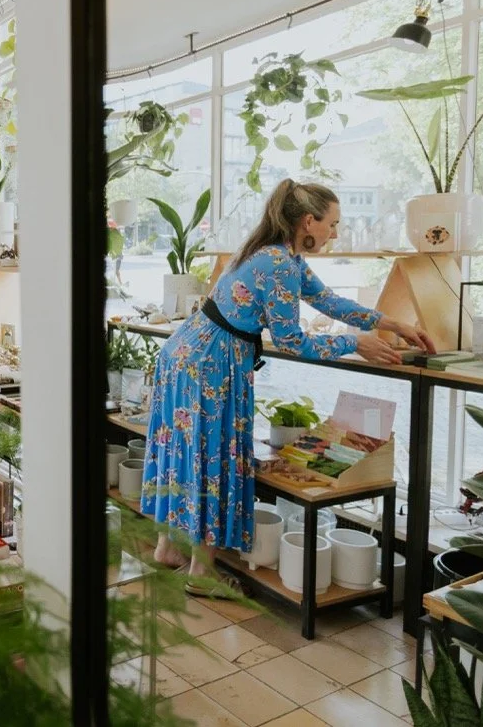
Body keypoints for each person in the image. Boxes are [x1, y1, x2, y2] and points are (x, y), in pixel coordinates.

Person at [139, 179, 435, 597]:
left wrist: (391, 324)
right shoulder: (278, 263)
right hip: (210, 364)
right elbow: (293, 340)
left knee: (182, 453)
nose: (336, 234)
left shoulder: (278, 256)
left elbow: (329, 301)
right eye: (333, 224)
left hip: (187, 354)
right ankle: (201, 572)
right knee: (212, 456)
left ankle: (168, 548)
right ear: (308, 222)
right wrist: (355, 342)